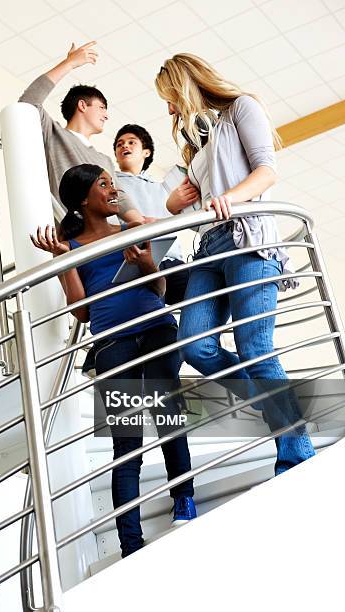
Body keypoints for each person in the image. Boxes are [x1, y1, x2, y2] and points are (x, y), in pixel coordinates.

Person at [155, 53, 315, 475]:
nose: (169, 109)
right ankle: (279, 411)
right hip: (209, 249)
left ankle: (295, 451)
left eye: (169, 98)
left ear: (183, 85)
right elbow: (184, 202)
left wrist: (233, 197)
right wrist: (174, 202)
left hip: (247, 240)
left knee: (255, 350)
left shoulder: (241, 107)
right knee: (195, 346)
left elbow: (267, 171)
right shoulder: (197, 142)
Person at [30, 163, 196, 558]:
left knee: (168, 416)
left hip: (156, 328)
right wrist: (63, 263)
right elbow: (81, 312)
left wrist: (143, 262)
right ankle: (130, 543)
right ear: (84, 199)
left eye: (112, 183)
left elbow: (158, 288)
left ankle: (184, 500)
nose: (113, 189)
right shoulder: (69, 248)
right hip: (111, 345)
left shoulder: (132, 231)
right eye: (104, 184)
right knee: (127, 443)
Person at [19, 41, 142, 223]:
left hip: (111, 237)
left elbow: (120, 197)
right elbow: (27, 104)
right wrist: (69, 63)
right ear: (82, 105)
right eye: (102, 107)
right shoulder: (53, 134)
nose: (106, 116)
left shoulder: (104, 160)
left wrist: (140, 223)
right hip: (75, 237)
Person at [114, 124, 199, 305]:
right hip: (137, 263)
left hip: (172, 259)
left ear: (146, 152)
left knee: (203, 292)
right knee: (152, 315)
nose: (124, 146)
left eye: (131, 142)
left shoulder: (163, 187)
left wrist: (160, 222)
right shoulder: (113, 184)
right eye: (119, 144)